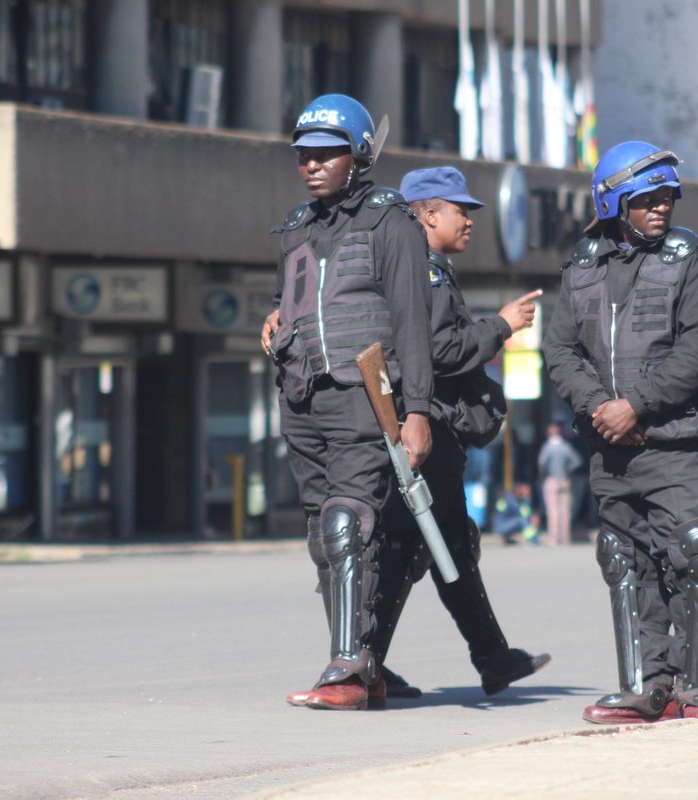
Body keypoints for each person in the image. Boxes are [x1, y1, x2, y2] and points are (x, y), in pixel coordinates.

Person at [542, 141, 698, 723]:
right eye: (646, 199)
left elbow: (697, 353)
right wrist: (600, 407)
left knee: (693, 559)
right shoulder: (583, 265)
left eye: (667, 197)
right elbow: (560, 349)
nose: (660, 208)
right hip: (610, 448)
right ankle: (647, 686)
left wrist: (636, 406)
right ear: (613, 201)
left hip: (679, 445)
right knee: (626, 562)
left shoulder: (692, 260)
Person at [260, 94, 434, 711]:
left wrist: (417, 411)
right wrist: (278, 318)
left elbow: (413, 320)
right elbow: (298, 297)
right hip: (303, 397)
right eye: (304, 154)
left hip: (368, 395)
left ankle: (348, 669)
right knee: (324, 538)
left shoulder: (390, 222)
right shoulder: (296, 228)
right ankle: (367, 664)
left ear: (358, 156)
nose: (311, 164)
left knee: (347, 522)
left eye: (326, 154)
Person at [364, 166, 550, 699]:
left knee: (452, 547)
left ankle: (492, 657)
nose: (468, 221)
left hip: (431, 429)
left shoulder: (425, 268)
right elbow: (438, 351)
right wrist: (501, 326)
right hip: (429, 430)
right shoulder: (423, 270)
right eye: (459, 210)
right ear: (425, 214)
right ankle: (363, 660)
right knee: (406, 547)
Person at [536, 422, 583, 546]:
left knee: (553, 511)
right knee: (565, 510)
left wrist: (545, 473)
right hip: (564, 479)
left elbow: (542, 463)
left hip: (552, 479)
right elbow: (577, 461)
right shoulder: (565, 446)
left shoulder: (548, 447)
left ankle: (554, 538)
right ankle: (566, 537)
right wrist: (567, 470)